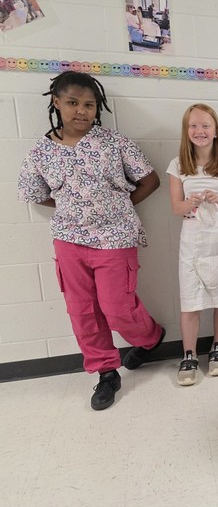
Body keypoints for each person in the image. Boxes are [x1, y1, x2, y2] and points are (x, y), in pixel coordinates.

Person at [17, 72, 164, 410]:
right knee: (83, 311)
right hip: (68, 241)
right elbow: (33, 193)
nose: (81, 111)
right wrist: (73, 209)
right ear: (56, 103)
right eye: (72, 103)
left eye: (88, 104)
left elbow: (150, 179)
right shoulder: (42, 150)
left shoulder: (114, 142)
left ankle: (152, 337)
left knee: (117, 308)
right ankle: (105, 372)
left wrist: (115, 207)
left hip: (115, 238)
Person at [167, 104, 218, 385]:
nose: (200, 131)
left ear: (216, 131)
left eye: (206, 126)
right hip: (193, 239)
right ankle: (189, 354)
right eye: (194, 126)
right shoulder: (177, 165)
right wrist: (191, 203)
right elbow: (176, 207)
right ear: (186, 131)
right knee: (191, 299)